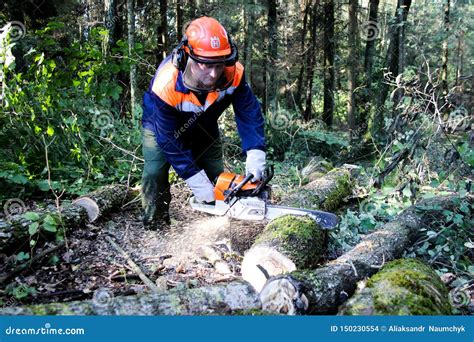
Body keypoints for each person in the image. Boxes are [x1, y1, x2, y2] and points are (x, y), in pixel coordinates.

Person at [141, 16, 266, 229]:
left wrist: (256, 151)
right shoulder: (166, 83)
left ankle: (217, 226)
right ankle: (155, 225)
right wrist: (195, 181)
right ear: (186, 57)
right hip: (161, 128)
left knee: (216, 174)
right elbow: (169, 141)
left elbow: (248, 111)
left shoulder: (233, 73)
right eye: (205, 65)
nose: (214, 73)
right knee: (155, 172)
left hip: (204, 125)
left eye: (219, 64)